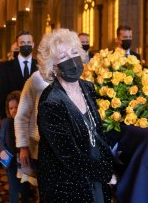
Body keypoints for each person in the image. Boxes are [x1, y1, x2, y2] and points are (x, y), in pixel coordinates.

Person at [36, 28, 114, 202]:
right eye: (63, 58)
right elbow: (69, 156)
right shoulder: (51, 101)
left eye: (74, 53)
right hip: (66, 183)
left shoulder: (87, 87)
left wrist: (108, 164)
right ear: (53, 68)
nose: (72, 60)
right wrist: (106, 174)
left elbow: (97, 131)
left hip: (94, 172)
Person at [0, 91, 31, 203]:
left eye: (16, 107)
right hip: (11, 164)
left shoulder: (27, 123)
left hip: (25, 162)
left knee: (25, 189)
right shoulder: (5, 122)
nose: (14, 110)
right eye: (11, 108)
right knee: (13, 190)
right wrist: (1, 150)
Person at [14, 70, 49, 183]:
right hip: (40, 145)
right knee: (44, 187)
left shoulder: (73, 76)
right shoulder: (35, 80)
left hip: (67, 147)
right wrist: (23, 146)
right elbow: (21, 116)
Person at [0, 31, 38, 119]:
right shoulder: (5, 67)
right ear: (17, 44)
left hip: (36, 117)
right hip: (14, 116)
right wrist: (4, 119)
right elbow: (2, 95)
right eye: (22, 43)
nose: (26, 45)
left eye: (29, 43)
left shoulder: (40, 66)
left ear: (33, 44)